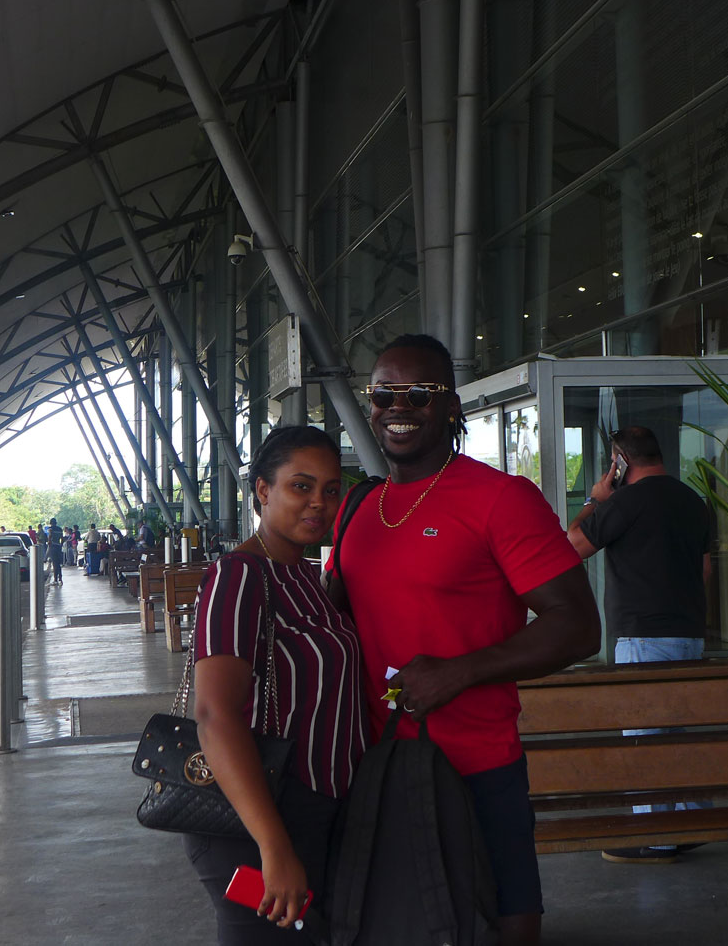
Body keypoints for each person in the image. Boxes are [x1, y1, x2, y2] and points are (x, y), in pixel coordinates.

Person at [329, 334, 601, 946]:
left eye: (419, 395)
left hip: (475, 764)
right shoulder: (357, 507)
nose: (398, 407)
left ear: (452, 406)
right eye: (384, 394)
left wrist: (458, 671)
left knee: (502, 921)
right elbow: (335, 619)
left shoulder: (502, 499)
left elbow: (578, 625)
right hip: (371, 765)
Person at [186, 425, 366, 944]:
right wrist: (274, 846)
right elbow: (214, 714)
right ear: (263, 490)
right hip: (255, 820)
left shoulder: (306, 576)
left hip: (316, 809)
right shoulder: (239, 576)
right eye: (300, 487)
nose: (318, 503)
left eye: (331, 490)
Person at [566, 424, 712, 865]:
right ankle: (684, 825)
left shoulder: (625, 502)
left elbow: (570, 546)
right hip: (689, 635)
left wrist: (595, 499)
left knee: (645, 739)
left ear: (620, 462)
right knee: (675, 735)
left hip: (642, 637)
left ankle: (656, 836)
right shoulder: (692, 500)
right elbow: (704, 569)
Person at [47, 517, 64, 585]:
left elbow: (50, 537)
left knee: (54, 563)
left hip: (53, 546)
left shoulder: (50, 529)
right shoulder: (60, 529)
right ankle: (60, 579)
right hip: (58, 547)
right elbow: (62, 538)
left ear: (51, 523)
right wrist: (61, 545)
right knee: (59, 563)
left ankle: (55, 579)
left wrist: (49, 542)